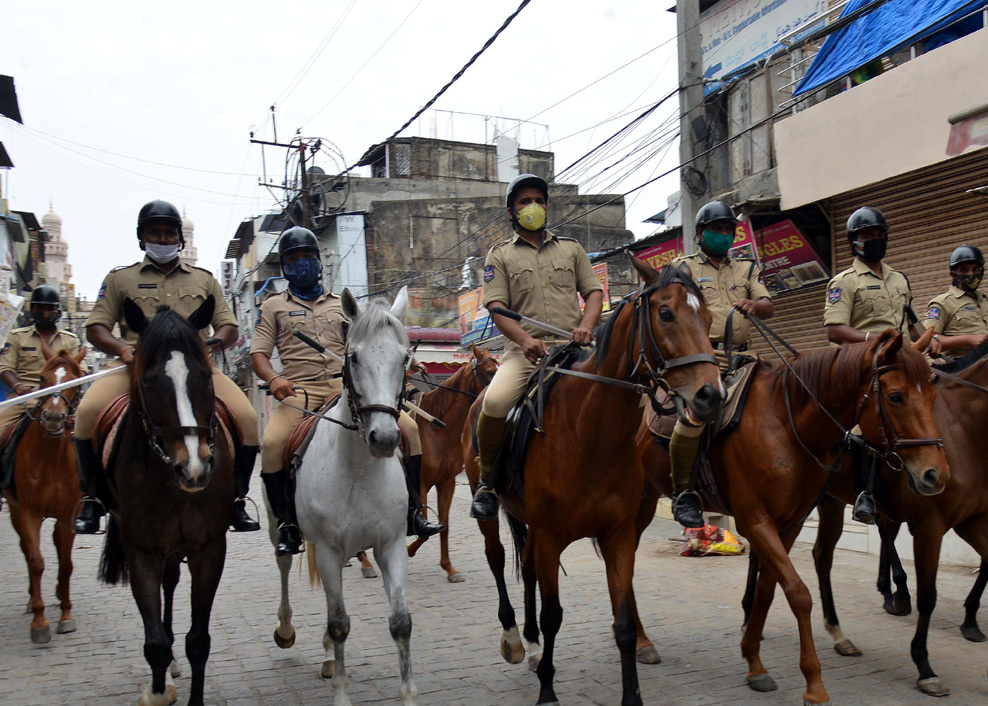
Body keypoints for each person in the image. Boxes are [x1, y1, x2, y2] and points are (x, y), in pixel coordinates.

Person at [251, 226, 442, 557]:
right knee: (270, 445)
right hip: (299, 391)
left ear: (318, 261)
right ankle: (287, 526)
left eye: (307, 257)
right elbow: (258, 354)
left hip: (345, 388)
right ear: (284, 265)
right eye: (293, 259)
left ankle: (414, 512)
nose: (302, 264)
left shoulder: (345, 304)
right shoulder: (272, 306)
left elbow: (374, 350)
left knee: (409, 429)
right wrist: (274, 379)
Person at [72, 200, 261, 535]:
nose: (162, 238)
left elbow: (228, 327)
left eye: (169, 232)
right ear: (142, 238)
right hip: (137, 368)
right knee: (86, 414)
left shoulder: (204, 280)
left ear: (180, 238)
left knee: (247, 419)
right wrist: (122, 349)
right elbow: (96, 328)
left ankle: (236, 501)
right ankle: (92, 500)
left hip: (193, 368)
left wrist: (209, 345)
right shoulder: (120, 279)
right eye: (154, 233)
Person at [469, 173, 604, 521]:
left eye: (539, 201)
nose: (534, 207)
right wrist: (526, 340)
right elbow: (497, 309)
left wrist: (586, 326)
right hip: (525, 353)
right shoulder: (498, 256)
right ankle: (487, 482)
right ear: (512, 212)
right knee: (495, 403)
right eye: (525, 201)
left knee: (621, 395)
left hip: (574, 349)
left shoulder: (572, 248)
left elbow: (593, 293)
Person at [667, 201, 772, 527]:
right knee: (695, 416)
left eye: (728, 230)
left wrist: (755, 304)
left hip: (744, 356)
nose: (723, 236)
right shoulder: (681, 268)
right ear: (700, 234)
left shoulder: (746, 268)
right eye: (717, 230)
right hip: (703, 360)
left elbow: (768, 305)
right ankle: (684, 492)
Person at [822, 207, 920, 525]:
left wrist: (925, 340)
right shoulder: (844, 282)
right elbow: (835, 330)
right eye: (866, 235)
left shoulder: (899, 279)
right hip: (864, 365)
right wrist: (872, 339)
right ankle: (865, 493)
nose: (874, 240)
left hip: (903, 360)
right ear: (854, 241)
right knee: (860, 428)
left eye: (878, 234)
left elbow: (910, 321)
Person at [0, 286, 82, 490]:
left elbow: (78, 372)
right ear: (31, 309)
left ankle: (89, 489)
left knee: (88, 432)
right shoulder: (17, 337)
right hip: (25, 397)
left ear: (57, 311)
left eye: (49, 308)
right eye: (38, 307)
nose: (44, 312)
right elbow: (5, 366)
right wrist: (17, 386)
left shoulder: (70, 341)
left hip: (62, 399)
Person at [924, 244, 988, 359]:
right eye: (964, 270)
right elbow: (928, 340)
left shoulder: (984, 301)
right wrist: (968, 340)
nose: (971, 274)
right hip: (960, 369)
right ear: (952, 274)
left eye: (975, 269)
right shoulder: (942, 303)